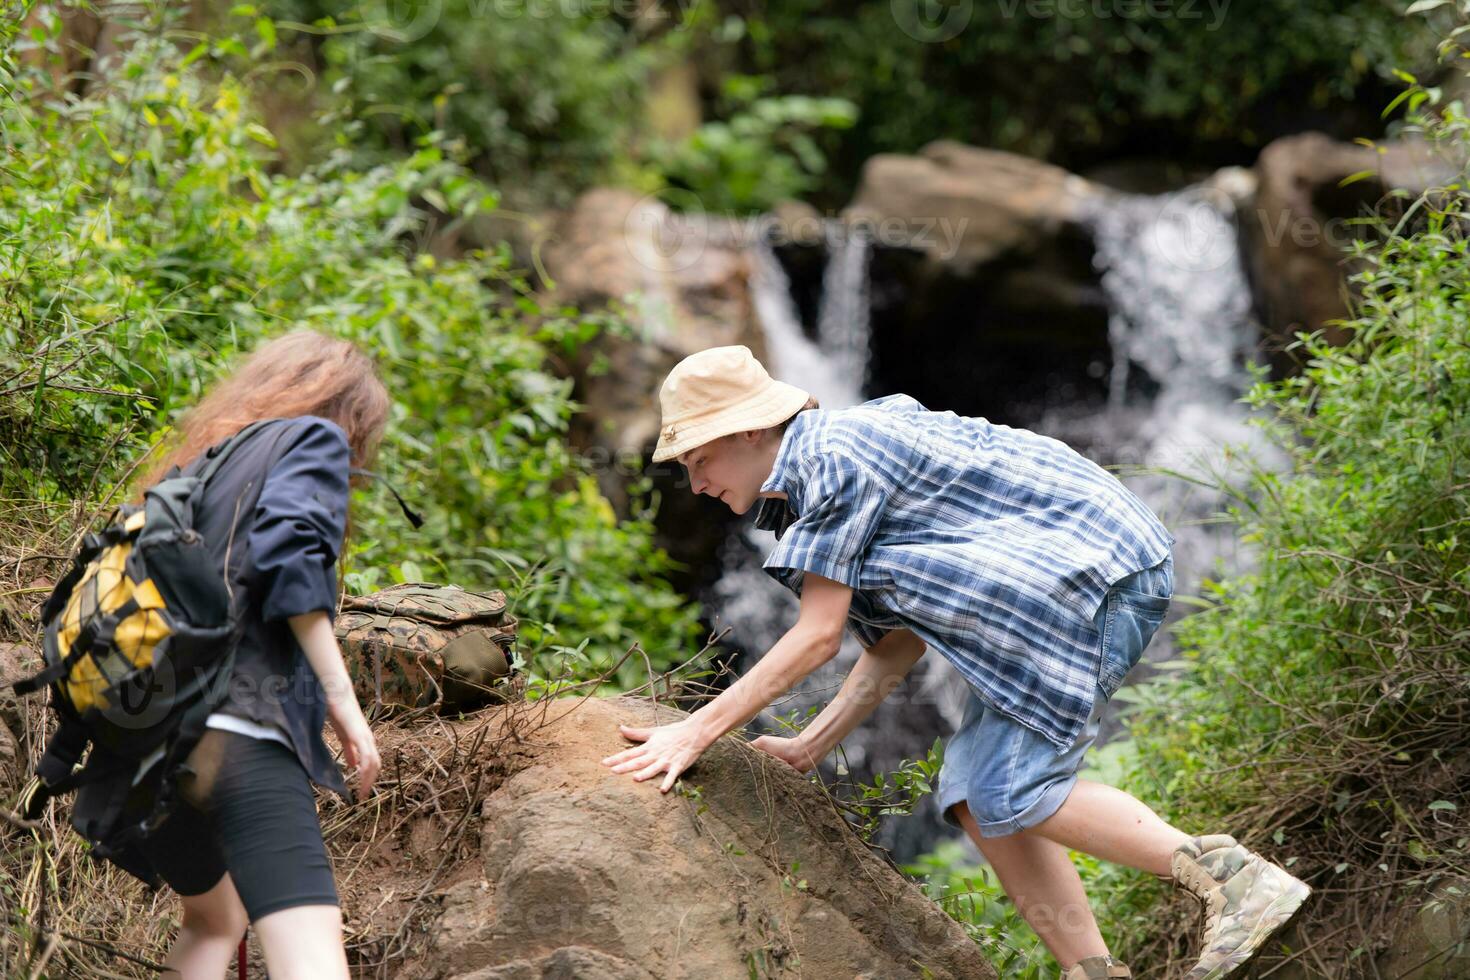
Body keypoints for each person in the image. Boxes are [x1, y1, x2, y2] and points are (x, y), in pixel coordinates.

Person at [602, 345, 1311, 980]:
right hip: (1067, 581)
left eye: (699, 460)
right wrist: (815, 741)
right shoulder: (818, 467)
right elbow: (898, 638)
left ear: (751, 430)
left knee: (1015, 790)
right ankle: (1092, 972)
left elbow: (818, 636)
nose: (695, 484)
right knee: (975, 796)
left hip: (1089, 574)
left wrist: (695, 732)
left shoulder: (829, 461)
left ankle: (1234, 878)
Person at [127, 331, 387, 979]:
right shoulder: (315, 440)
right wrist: (346, 712)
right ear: (349, 416)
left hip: (145, 745)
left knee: (214, 925)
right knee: (312, 959)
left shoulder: (199, 465)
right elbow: (290, 563)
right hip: (239, 727)